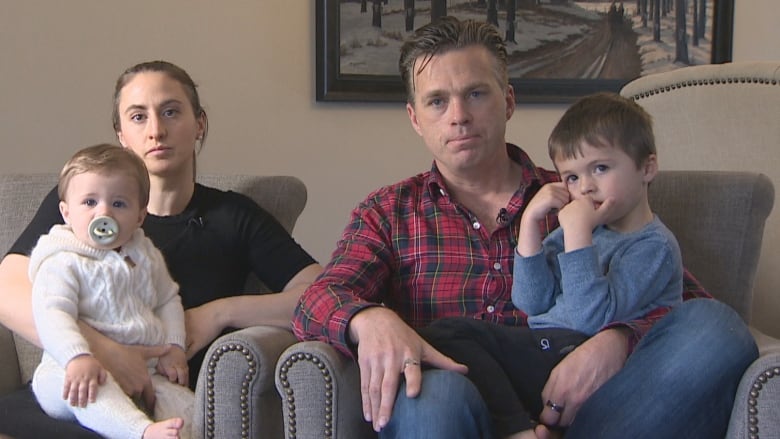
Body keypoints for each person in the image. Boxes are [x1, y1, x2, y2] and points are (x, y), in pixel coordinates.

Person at [291, 16, 757, 439]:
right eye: (437, 101)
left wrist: (619, 340)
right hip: (460, 401)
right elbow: (317, 300)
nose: (459, 115)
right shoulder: (388, 211)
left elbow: (683, 302)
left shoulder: (580, 195)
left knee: (721, 329)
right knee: (427, 396)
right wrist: (369, 318)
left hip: (592, 406)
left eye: (476, 93)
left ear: (508, 101)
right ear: (415, 119)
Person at [0, 60, 322, 438]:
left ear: (199, 124)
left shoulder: (233, 217)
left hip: (162, 400)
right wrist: (103, 351)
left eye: (171, 111)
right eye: (138, 117)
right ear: (121, 134)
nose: (156, 130)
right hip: (75, 389)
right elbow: (8, 290)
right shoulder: (81, 205)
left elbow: (322, 294)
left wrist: (220, 313)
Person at [416, 92, 684, 438]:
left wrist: (578, 234)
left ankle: (515, 428)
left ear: (647, 168)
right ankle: (522, 427)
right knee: (447, 333)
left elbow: (591, 318)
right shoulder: (578, 229)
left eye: (600, 168)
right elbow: (530, 301)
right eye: (572, 177)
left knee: (451, 336)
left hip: (588, 363)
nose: (585, 188)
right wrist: (529, 224)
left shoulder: (653, 246)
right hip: (542, 348)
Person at [31, 144, 192, 439]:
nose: (103, 212)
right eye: (90, 202)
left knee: (189, 408)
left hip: (145, 370)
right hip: (67, 369)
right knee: (92, 389)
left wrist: (175, 346)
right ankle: (140, 432)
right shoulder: (62, 260)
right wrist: (76, 356)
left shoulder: (145, 254)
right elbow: (51, 313)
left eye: (118, 204)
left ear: (140, 216)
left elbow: (168, 299)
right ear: (66, 213)